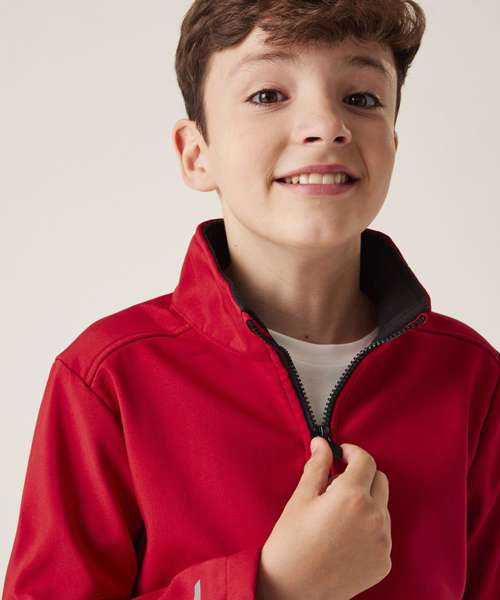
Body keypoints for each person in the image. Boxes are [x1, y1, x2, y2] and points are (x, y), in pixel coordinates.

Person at [3, 1, 499, 599]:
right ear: (196, 154)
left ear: (393, 142)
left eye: (361, 98)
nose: (327, 125)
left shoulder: (471, 376)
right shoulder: (108, 376)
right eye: (268, 95)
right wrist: (273, 588)